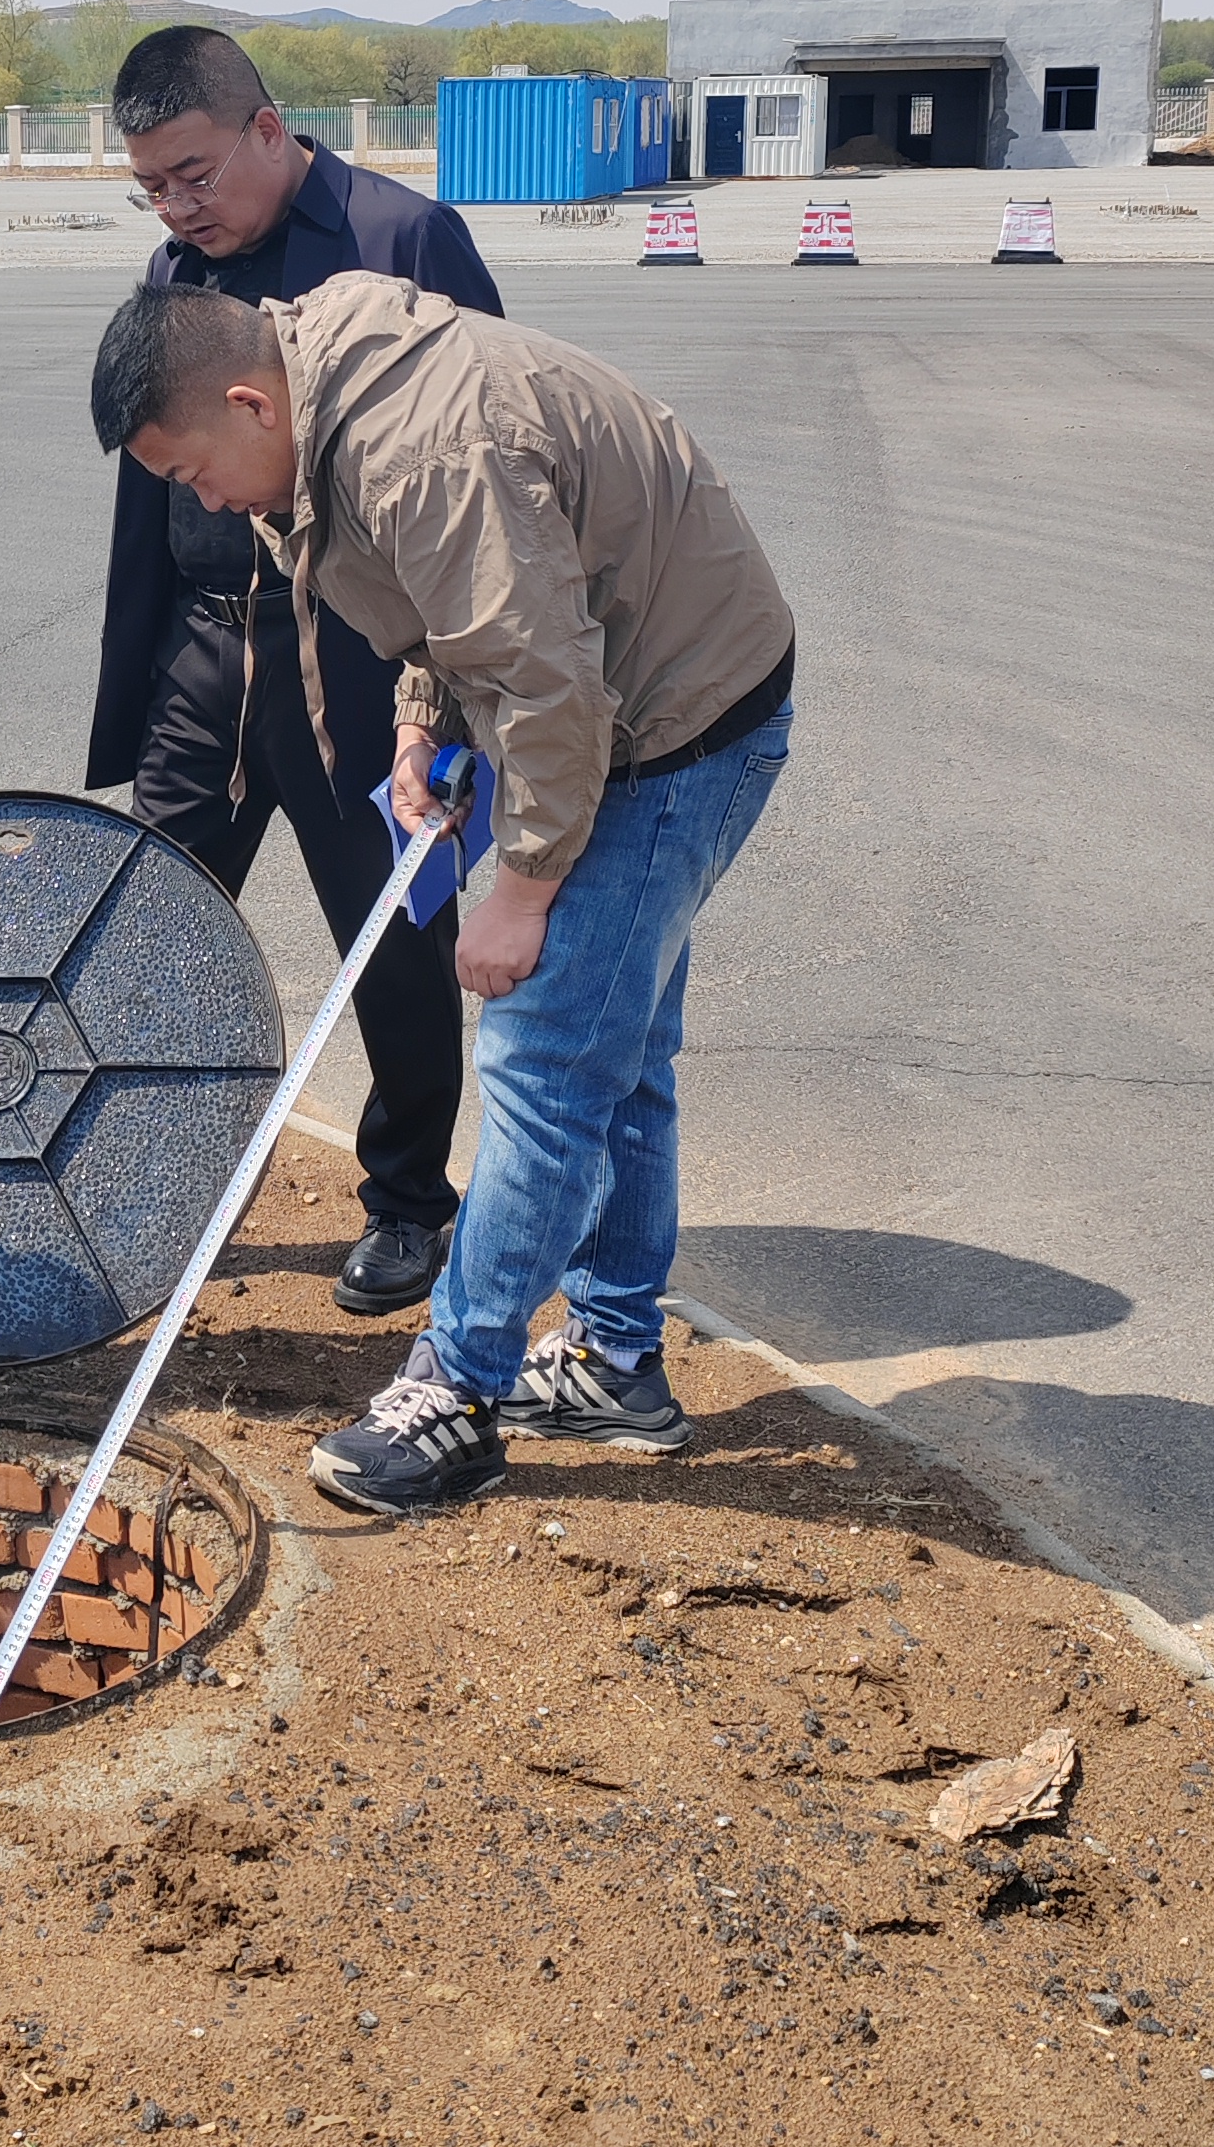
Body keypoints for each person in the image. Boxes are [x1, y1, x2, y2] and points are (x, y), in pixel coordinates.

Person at [90, 274, 794, 1520]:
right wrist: (421, 725)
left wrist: (519, 886)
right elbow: (448, 624)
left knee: (544, 1062)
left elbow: (553, 689)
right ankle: (617, 1361)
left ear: (252, 402)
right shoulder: (318, 409)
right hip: (610, 695)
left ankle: (456, 1390)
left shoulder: (425, 452)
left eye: (196, 471)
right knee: (616, 1059)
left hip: (673, 727)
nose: (200, 503)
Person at [85, 25, 504, 1317]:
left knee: (393, 936)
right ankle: (167, 1191)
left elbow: (480, 474)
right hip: (208, 653)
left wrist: (457, 698)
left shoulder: (405, 240)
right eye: (154, 185)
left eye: (196, 173)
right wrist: (154, 668)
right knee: (149, 935)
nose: (178, 206)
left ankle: (407, 1201)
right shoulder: (174, 266)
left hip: (366, 655)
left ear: (270, 127)